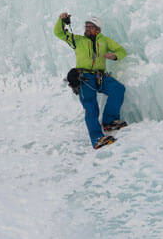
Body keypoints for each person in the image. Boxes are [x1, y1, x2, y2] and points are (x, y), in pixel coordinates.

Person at [54, 13, 128, 149]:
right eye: (86, 26)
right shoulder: (78, 40)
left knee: (118, 89)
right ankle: (97, 138)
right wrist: (62, 21)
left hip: (100, 77)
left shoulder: (105, 41)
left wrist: (114, 55)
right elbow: (58, 32)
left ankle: (109, 121)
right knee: (91, 107)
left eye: (90, 27)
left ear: (97, 30)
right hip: (84, 78)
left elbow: (121, 51)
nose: (87, 28)